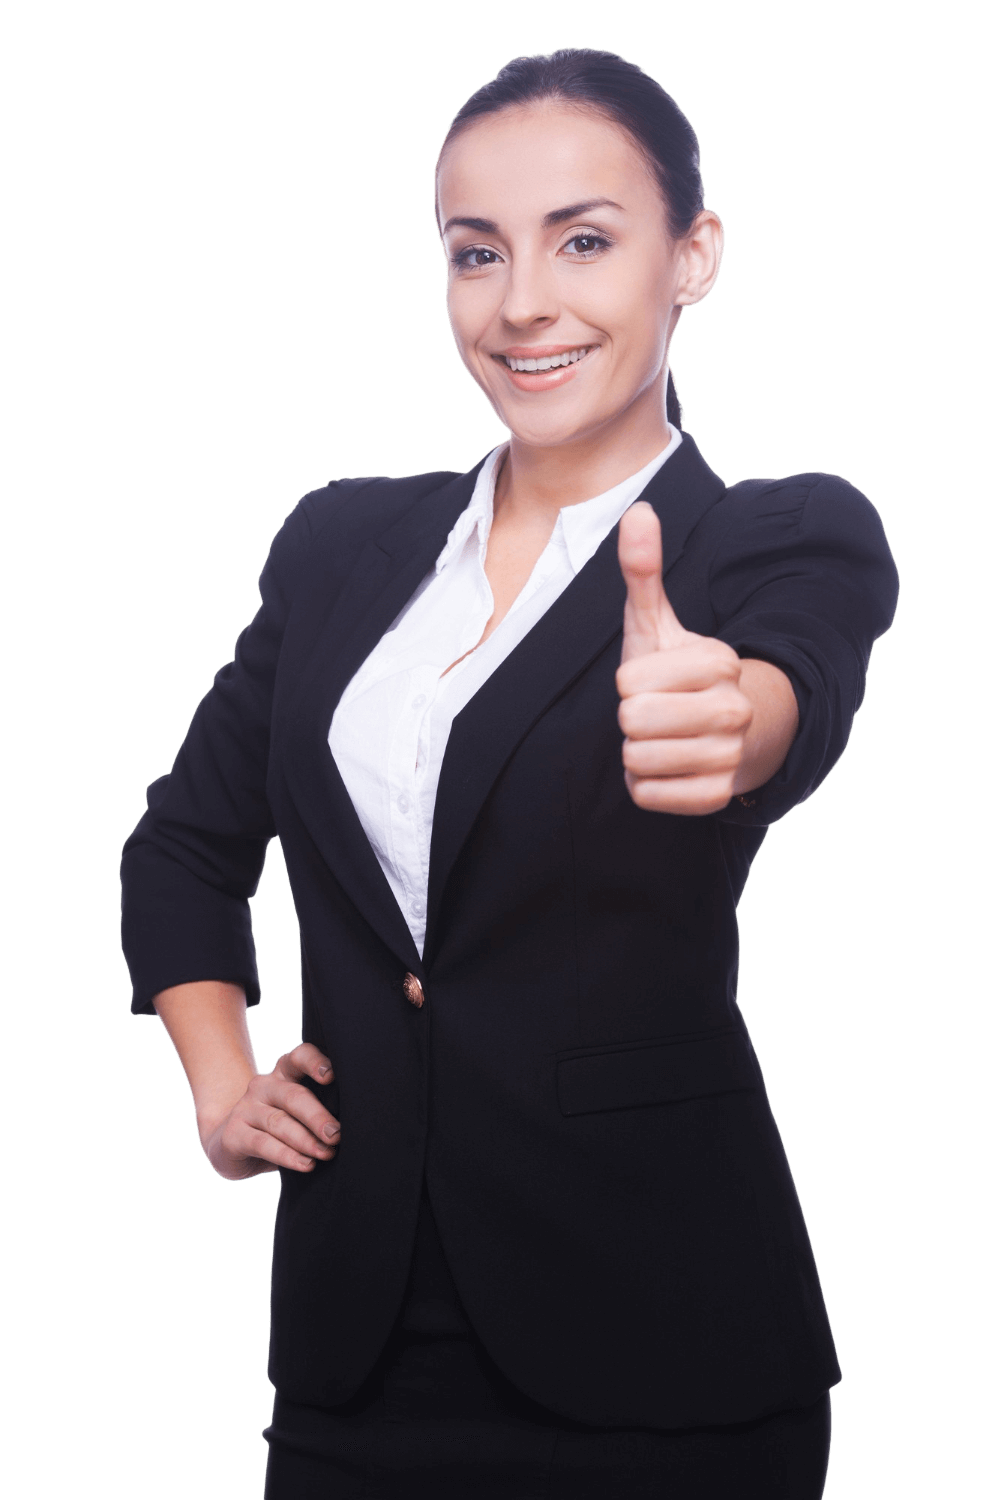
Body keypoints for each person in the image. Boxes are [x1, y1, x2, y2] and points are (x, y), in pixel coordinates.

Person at [120, 47, 898, 1499]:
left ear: (695, 256)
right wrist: (221, 1087)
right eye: (477, 253)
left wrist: (737, 718)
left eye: (584, 241)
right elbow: (180, 846)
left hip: (667, 1344)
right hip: (353, 1357)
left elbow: (793, 684)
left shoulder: (776, 534)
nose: (522, 301)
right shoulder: (339, 543)